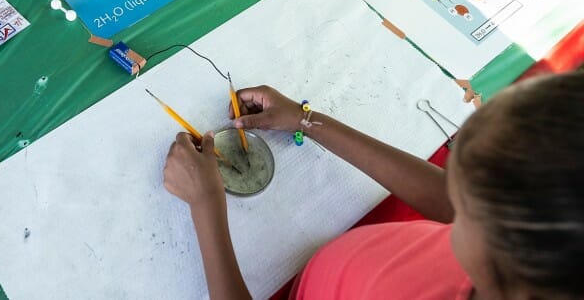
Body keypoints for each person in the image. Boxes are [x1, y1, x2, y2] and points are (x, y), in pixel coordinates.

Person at [162, 73, 584, 299]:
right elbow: (446, 198)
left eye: (468, 199)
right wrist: (306, 120)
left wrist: (205, 207)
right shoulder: (528, 248)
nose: (452, 183)